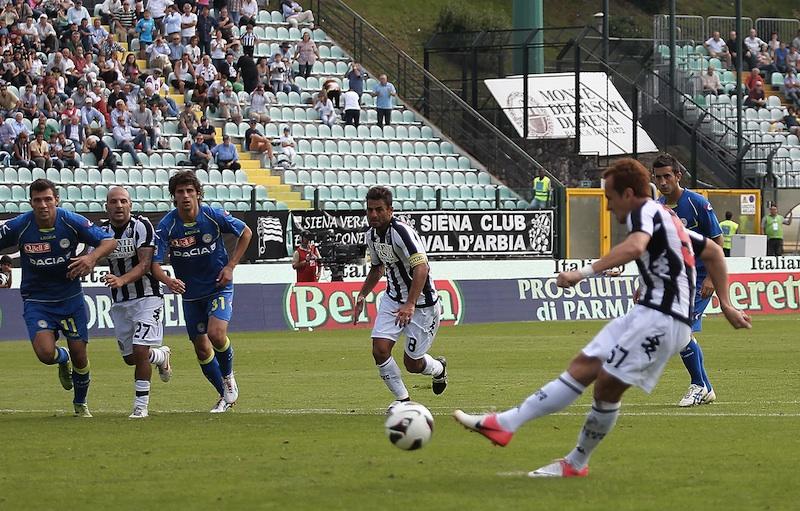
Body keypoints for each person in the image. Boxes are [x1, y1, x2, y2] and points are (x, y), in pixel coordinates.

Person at [454, 158, 751, 478]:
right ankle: (506, 424)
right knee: (583, 366)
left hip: (663, 319)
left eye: (609, 198)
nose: (607, 207)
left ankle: (574, 463)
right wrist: (727, 303)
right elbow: (713, 253)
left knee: (606, 388)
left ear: (627, 193)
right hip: (646, 312)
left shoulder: (645, 210)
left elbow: (638, 246)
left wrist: (582, 272)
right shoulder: (664, 216)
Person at [0, 179, 117, 417]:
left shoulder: (70, 221)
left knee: (80, 355)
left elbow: (109, 241)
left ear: (57, 200)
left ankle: (80, 403)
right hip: (37, 300)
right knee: (45, 354)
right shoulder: (20, 226)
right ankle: (61, 359)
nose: (43, 205)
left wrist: (91, 259)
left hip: (70, 298)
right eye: (37, 200)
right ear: (30, 202)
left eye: (47, 199)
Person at [152, 171, 253, 413]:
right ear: (174, 197)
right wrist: (167, 280)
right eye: (180, 192)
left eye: (190, 191)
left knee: (216, 334)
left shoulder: (212, 215)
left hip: (218, 286)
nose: (185, 196)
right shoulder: (168, 225)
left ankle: (228, 378)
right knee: (201, 348)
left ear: (198, 194)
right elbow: (153, 264)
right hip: (190, 294)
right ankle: (224, 395)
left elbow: (246, 232)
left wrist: (231, 266)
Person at [351, 186, 448, 410]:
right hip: (393, 299)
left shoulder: (402, 233)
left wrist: (411, 303)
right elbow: (377, 268)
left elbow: (422, 268)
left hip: (422, 304)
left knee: (412, 364)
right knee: (380, 349)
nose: (373, 215)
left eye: (378, 210)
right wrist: (363, 294)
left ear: (390, 210)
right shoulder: (371, 235)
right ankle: (403, 400)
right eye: (369, 210)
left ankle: (439, 369)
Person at [652, 154, 723, 407]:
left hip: (701, 277)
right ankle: (705, 387)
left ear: (678, 176)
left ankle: (699, 385)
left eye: (667, 176)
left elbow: (717, 242)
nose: (663, 182)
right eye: (658, 177)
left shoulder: (697, 204)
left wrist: (713, 279)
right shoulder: (658, 207)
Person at [101, 187, 172, 419]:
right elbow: (93, 254)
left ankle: (140, 407)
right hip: (121, 302)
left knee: (140, 351)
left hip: (147, 297)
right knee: (131, 358)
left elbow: (144, 264)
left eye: (123, 201)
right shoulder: (102, 231)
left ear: (130, 205)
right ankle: (160, 356)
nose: (119, 205)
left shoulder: (142, 226)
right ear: (106, 207)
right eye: (114, 202)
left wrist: (120, 279)